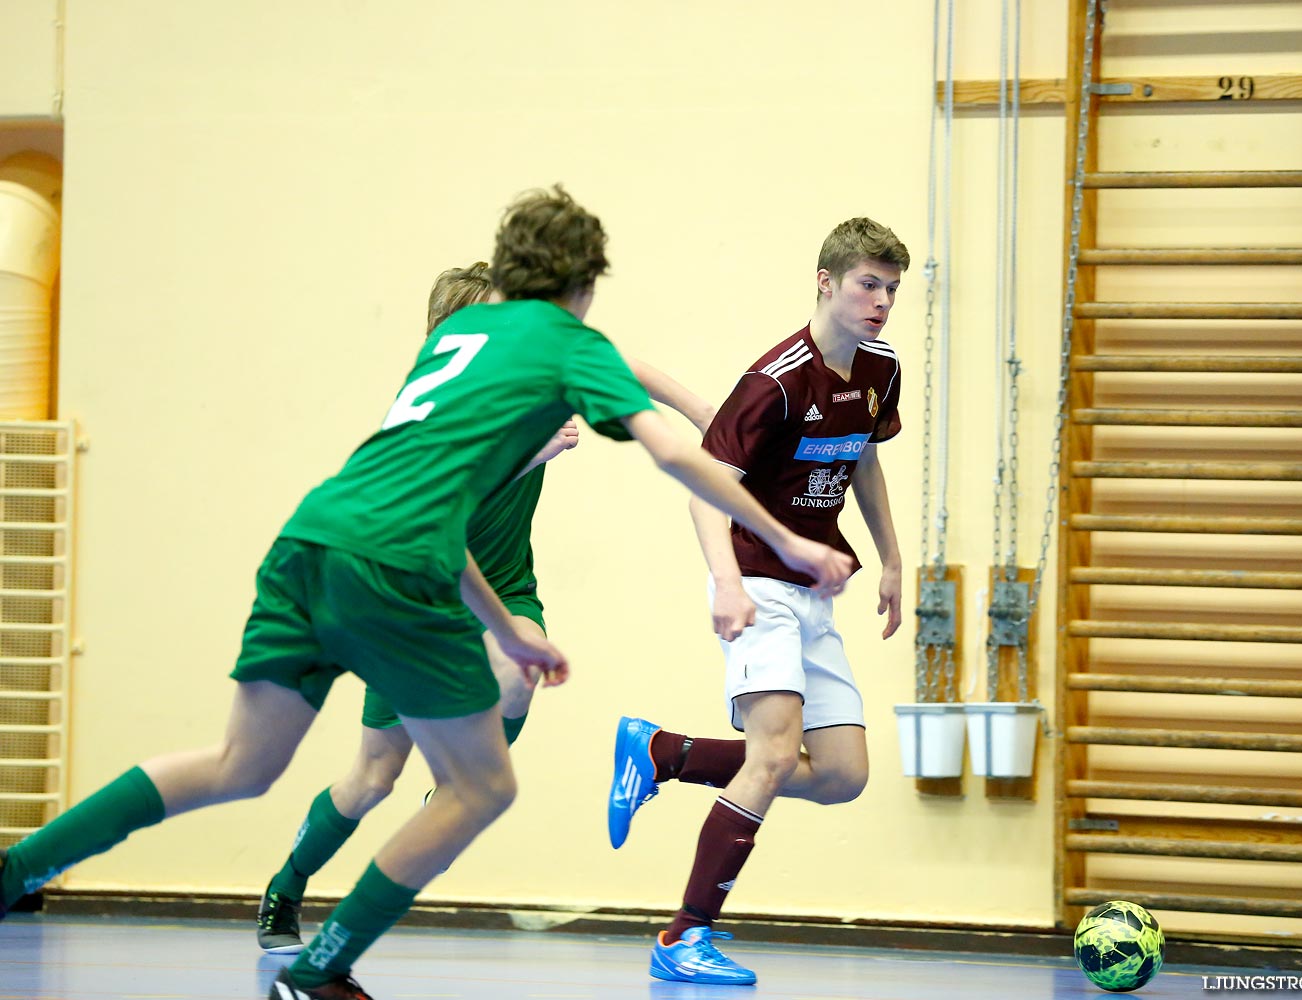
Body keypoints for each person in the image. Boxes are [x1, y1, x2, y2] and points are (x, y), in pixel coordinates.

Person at [0, 185, 854, 1000]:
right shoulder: (566, 344)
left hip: (312, 541)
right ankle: (320, 968)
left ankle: (14, 872)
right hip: (400, 576)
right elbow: (675, 453)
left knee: (237, 766)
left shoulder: (449, 348)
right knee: (480, 789)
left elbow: (433, 518)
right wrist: (784, 540)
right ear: (585, 285)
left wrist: (506, 631)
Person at [255, 262, 717, 954]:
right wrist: (531, 458)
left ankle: (456, 797)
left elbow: (618, 362)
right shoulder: (424, 413)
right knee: (371, 779)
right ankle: (286, 887)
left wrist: (703, 411)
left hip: (502, 591)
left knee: (519, 667)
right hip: (410, 606)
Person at [607, 217, 909, 986]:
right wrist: (728, 584)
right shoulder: (773, 382)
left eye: (892, 289)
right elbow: (704, 498)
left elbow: (863, 462)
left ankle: (662, 752)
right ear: (826, 282)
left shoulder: (880, 369)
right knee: (774, 755)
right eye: (868, 285)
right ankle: (683, 936)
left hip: (815, 590)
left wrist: (892, 561)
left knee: (842, 775)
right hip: (758, 582)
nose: (881, 302)